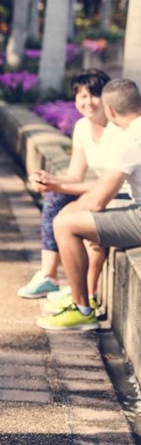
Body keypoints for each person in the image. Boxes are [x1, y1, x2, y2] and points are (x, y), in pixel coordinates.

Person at [42, 78, 141, 331]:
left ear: (109, 109)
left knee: (65, 224)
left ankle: (82, 308)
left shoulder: (129, 139)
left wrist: (69, 211)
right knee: (85, 222)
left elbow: (98, 200)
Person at [18, 70, 119, 308]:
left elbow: (109, 184)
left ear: (107, 99)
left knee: (72, 214)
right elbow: (75, 174)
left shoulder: (116, 130)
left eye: (94, 95)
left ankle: (83, 294)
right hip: (100, 190)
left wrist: (59, 185)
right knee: (54, 197)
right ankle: (48, 275)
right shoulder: (83, 127)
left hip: (119, 194)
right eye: (81, 96)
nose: (88, 102)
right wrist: (49, 179)